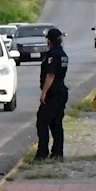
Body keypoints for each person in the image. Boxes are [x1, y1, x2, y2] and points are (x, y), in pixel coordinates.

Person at [36, 26, 69, 160]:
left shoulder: (52, 55)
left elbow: (50, 75)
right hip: (61, 92)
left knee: (42, 122)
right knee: (56, 123)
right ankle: (57, 153)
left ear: (49, 40)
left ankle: (42, 153)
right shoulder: (63, 55)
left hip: (53, 93)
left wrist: (44, 93)